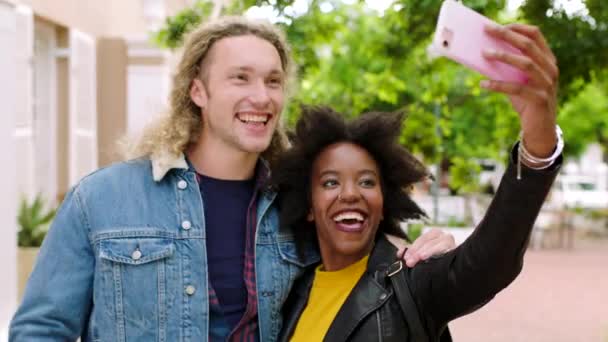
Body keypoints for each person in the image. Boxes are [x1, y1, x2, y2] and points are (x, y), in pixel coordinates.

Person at [9, 16, 455, 341]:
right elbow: (40, 330)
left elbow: (366, 270)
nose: (261, 97)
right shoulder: (102, 200)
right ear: (197, 91)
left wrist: (428, 252)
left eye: (273, 81)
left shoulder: (294, 205)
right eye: (240, 78)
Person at [275, 23, 562, 342]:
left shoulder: (412, 282)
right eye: (330, 183)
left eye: (367, 182)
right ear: (309, 207)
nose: (351, 193)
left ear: (384, 205)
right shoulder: (289, 295)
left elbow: (490, 261)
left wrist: (538, 146)